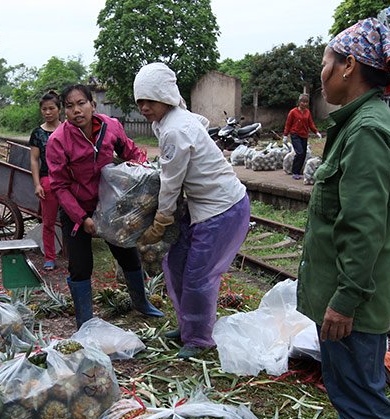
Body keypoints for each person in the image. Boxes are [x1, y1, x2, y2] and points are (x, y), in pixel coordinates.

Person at [298, 17, 390, 419]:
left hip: (354, 294)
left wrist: (344, 299)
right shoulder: (356, 124)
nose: (321, 74)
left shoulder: (366, 132)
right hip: (344, 286)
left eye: (325, 63)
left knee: (360, 383)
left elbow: (363, 230)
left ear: (348, 66)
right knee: (343, 373)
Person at [134, 63, 252, 359]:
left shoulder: (175, 128)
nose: (144, 107)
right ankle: (189, 326)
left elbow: (171, 184)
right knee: (175, 265)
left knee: (199, 275)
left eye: (150, 100)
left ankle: (199, 339)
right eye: (140, 101)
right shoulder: (168, 121)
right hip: (201, 208)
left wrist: (160, 222)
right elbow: (196, 123)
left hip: (222, 210)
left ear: (165, 96)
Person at [45, 84, 164, 328]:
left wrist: (143, 171)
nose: (76, 110)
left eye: (81, 103)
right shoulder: (58, 141)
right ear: (64, 111)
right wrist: (81, 218)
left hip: (110, 204)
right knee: (80, 265)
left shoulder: (111, 127)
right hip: (76, 208)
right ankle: (85, 320)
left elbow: (130, 151)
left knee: (128, 254)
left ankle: (141, 303)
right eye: (70, 106)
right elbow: (60, 187)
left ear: (92, 105)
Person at [28, 91, 62, 271]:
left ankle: (73, 254)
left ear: (59, 109)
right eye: (44, 109)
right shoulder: (38, 133)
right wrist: (37, 184)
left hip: (67, 181)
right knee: (48, 222)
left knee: (73, 219)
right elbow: (34, 159)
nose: (48, 112)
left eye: (51, 108)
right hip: (48, 180)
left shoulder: (68, 129)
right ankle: (50, 257)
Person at [283, 93, 321, 180]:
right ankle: (295, 172)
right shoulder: (293, 112)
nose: (304, 104)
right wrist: (285, 135)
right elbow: (288, 124)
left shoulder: (307, 112)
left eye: (306, 102)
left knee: (303, 154)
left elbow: (310, 123)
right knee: (299, 152)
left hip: (304, 135)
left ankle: (298, 171)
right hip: (295, 134)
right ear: (299, 102)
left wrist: (316, 132)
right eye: (302, 102)